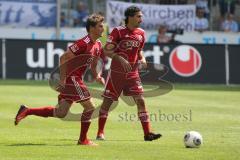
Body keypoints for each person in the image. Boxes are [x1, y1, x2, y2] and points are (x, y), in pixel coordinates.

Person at [14, 14, 105, 146]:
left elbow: (94, 63)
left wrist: (97, 76)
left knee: (61, 113)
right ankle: (83, 140)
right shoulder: (83, 43)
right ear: (92, 28)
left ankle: (27, 110)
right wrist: (62, 80)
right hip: (72, 79)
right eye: (100, 26)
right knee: (90, 107)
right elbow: (63, 58)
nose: (103, 28)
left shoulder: (97, 44)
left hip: (76, 79)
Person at [96, 6, 161, 141]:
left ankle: (147, 133)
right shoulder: (118, 31)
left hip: (132, 73)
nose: (141, 19)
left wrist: (142, 59)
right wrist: (120, 58)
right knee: (107, 103)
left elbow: (139, 52)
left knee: (141, 101)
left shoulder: (141, 33)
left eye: (141, 16)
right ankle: (100, 132)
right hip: (116, 74)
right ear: (130, 17)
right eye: (138, 16)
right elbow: (107, 51)